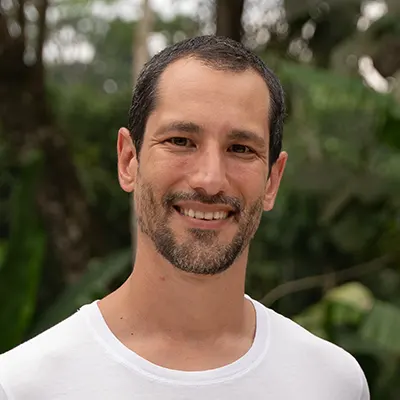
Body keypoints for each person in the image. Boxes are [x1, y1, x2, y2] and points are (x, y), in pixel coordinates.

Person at [0, 35, 369, 400]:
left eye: (240, 148)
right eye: (180, 141)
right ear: (128, 160)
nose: (210, 180)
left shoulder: (333, 383)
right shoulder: (23, 385)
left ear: (272, 180)